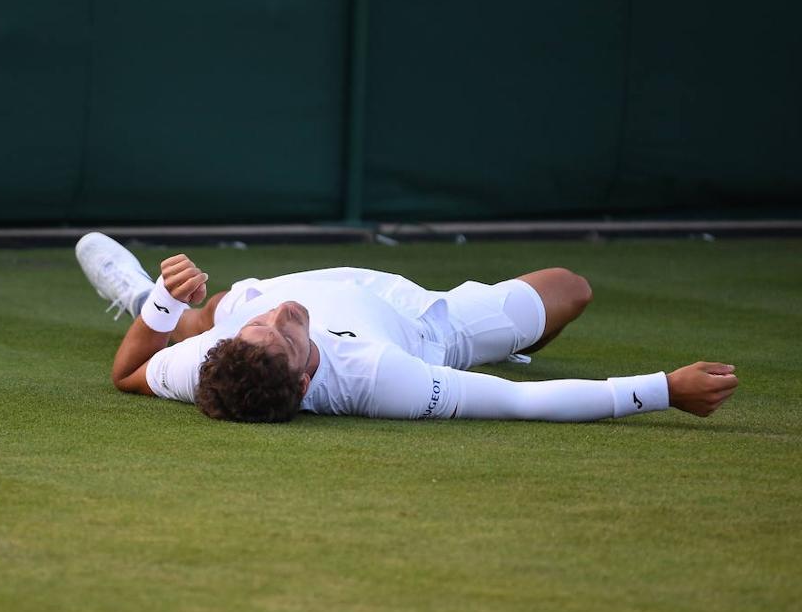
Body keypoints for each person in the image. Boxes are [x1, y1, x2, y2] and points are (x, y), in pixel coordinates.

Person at [75, 232, 739, 423]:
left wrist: (160, 305)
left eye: (261, 332)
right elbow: (520, 402)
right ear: (308, 378)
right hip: (425, 323)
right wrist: (663, 390)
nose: (278, 320)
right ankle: (507, 345)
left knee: (205, 309)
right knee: (570, 290)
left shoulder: (212, 363)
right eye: (285, 336)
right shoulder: (381, 379)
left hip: (244, 300)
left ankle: (143, 288)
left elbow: (128, 374)